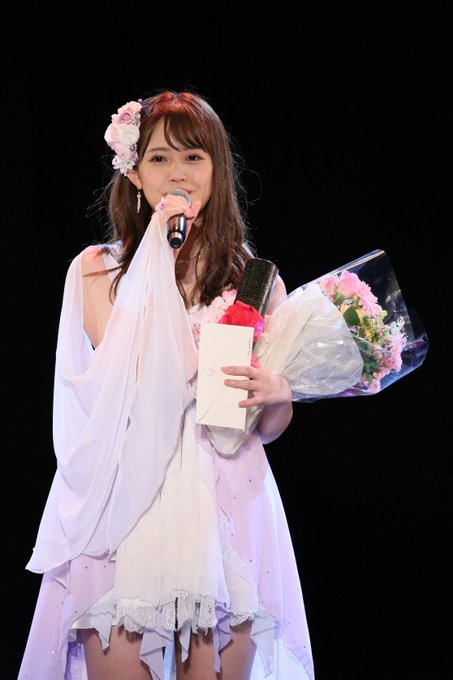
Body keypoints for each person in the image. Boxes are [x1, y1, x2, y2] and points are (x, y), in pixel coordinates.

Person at [18, 89, 316, 680]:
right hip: (128, 502)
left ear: (216, 170)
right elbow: (120, 379)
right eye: (159, 158)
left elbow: (268, 427)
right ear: (134, 174)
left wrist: (279, 394)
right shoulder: (98, 270)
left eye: (193, 157)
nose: (177, 172)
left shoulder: (256, 280)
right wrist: (159, 248)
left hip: (227, 501)